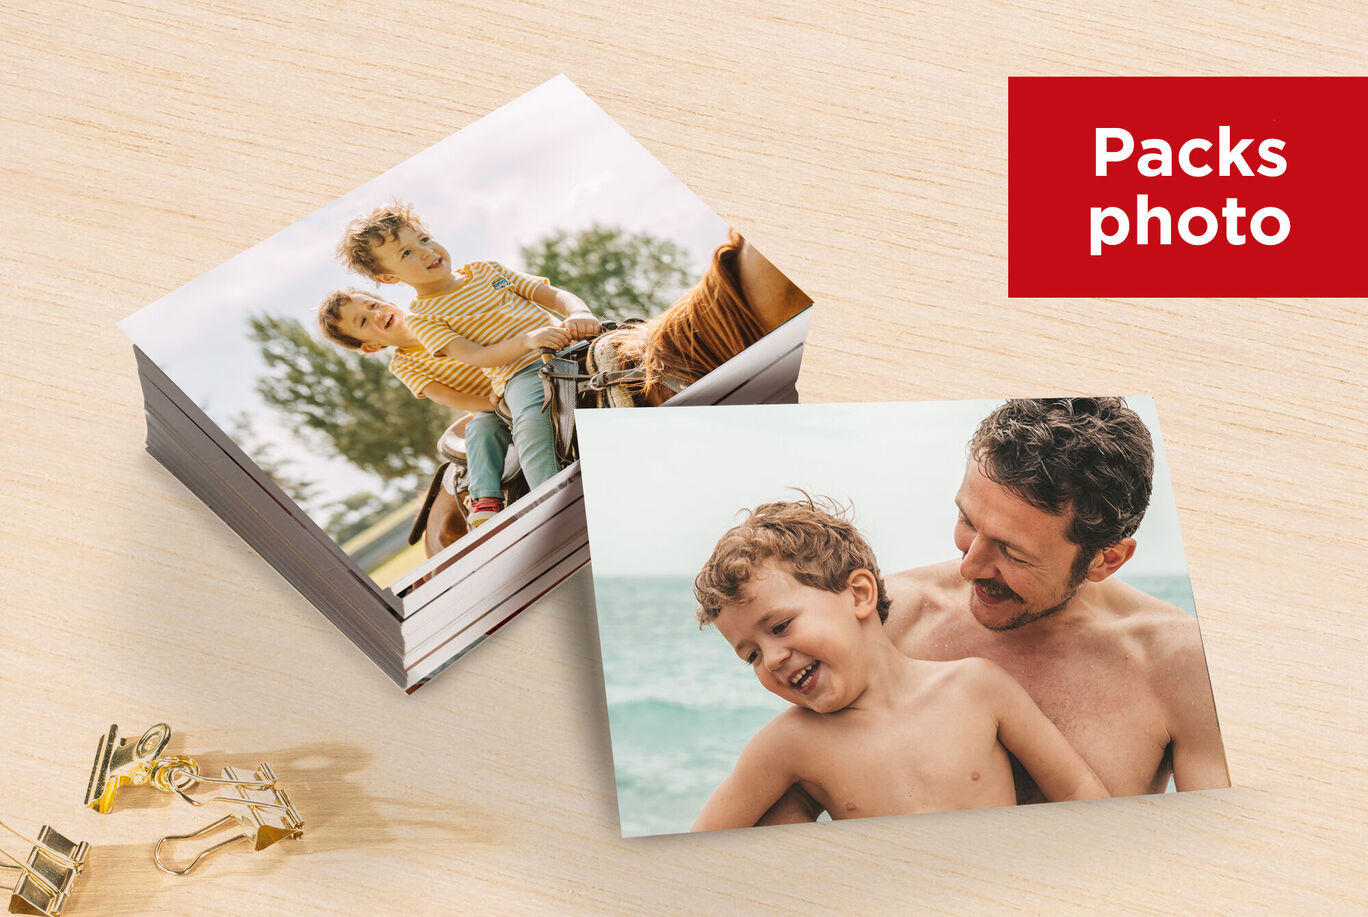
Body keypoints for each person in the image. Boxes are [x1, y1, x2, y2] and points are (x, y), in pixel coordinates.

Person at [762, 398, 1229, 823]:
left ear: (1106, 559)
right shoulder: (887, 618)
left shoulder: (1179, 664)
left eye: (1012, 552)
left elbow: (1222, 858)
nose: (969, 566)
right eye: (967, 520)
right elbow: (792, 799)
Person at [691, 498, 1108, 831]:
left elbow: (1076, 790)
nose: (773, 658)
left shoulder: (977, 687)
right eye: (752, 655)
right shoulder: (786, 745)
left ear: (858, 594)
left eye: (780, 626)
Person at [336, 202, 599, 490]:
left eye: (424, 239)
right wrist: (527, 341)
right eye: (407, 253)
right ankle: (555, 497)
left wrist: (579, 313)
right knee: (532, 427)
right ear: (388, 277)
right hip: (523, 374)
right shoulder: (424, 319)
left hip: (572, 344)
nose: (426, 251)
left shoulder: (488, 271)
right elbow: (476, 356)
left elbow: (552, 295)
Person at [316, 287, 512, 527]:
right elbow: (445, 396)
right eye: (364, 321)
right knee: (481, 429)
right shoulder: (404, 364)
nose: (375, 314)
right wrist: (490, 404)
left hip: (513, 375)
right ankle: (486, 497)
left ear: (387, 301)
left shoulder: (437, 318)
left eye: (373, 305)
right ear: (371, 346)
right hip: (490, 406)